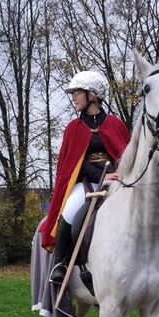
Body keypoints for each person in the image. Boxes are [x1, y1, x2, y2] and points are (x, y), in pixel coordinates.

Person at [40, 70, 130, 285]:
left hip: (117, 182)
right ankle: (60, 264)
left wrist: (118, 175)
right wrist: (103, 176)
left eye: (77, 92)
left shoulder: (115, 124)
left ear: (92, 94)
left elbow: (127, 155)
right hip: (86, 184)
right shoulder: (73, 128)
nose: (73, 97)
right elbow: (71, 166)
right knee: (69, 212)